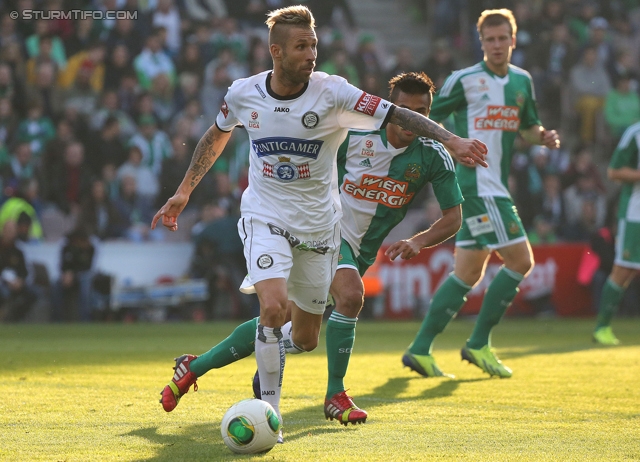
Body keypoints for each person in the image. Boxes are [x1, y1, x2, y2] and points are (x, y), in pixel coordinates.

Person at [151, 5, 486, 441]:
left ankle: (195, 366)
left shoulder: (335, 93)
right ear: (276, 51)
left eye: (314, 45)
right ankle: (272, 413)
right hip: (265, 215)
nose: (311, 54)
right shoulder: (243, 93)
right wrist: (184, 190)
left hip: (319, 228)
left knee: (305, 337)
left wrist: (451, 139)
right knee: (273, 307)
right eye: (301, 46)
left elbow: (396, 114)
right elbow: (217, 133)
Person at [403, 8, 560, 379]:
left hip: (496, 185)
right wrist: (446, 150)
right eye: (489, 39)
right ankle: (478, 343)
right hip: (477, 186)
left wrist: (545, 136)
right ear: (481, 42)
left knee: (467, 273)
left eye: (502, 38)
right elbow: (425, 116)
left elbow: (528, 127)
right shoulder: (464, 80)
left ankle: (420, 349)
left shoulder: (522, 82)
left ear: (513, 40)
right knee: (521, 261)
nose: (496, 45)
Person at [592, 121, 640, 345]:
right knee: (624, 270)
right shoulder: (635, 133)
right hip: (635, 214)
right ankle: (602, 327)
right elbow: (614, 171)